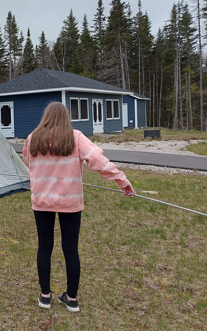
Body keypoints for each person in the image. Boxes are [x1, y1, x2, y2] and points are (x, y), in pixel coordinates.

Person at [22, 102, 134, 313]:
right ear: (66, 117)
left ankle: (45, 296)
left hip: (42, 201)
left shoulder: (32, 137)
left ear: (46, 116)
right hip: (69, 202)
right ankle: (71, 299)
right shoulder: (76, 137)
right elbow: (99, 160)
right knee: (70, 249)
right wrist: (122, 180)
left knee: (44, 247)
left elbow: (28, 160)